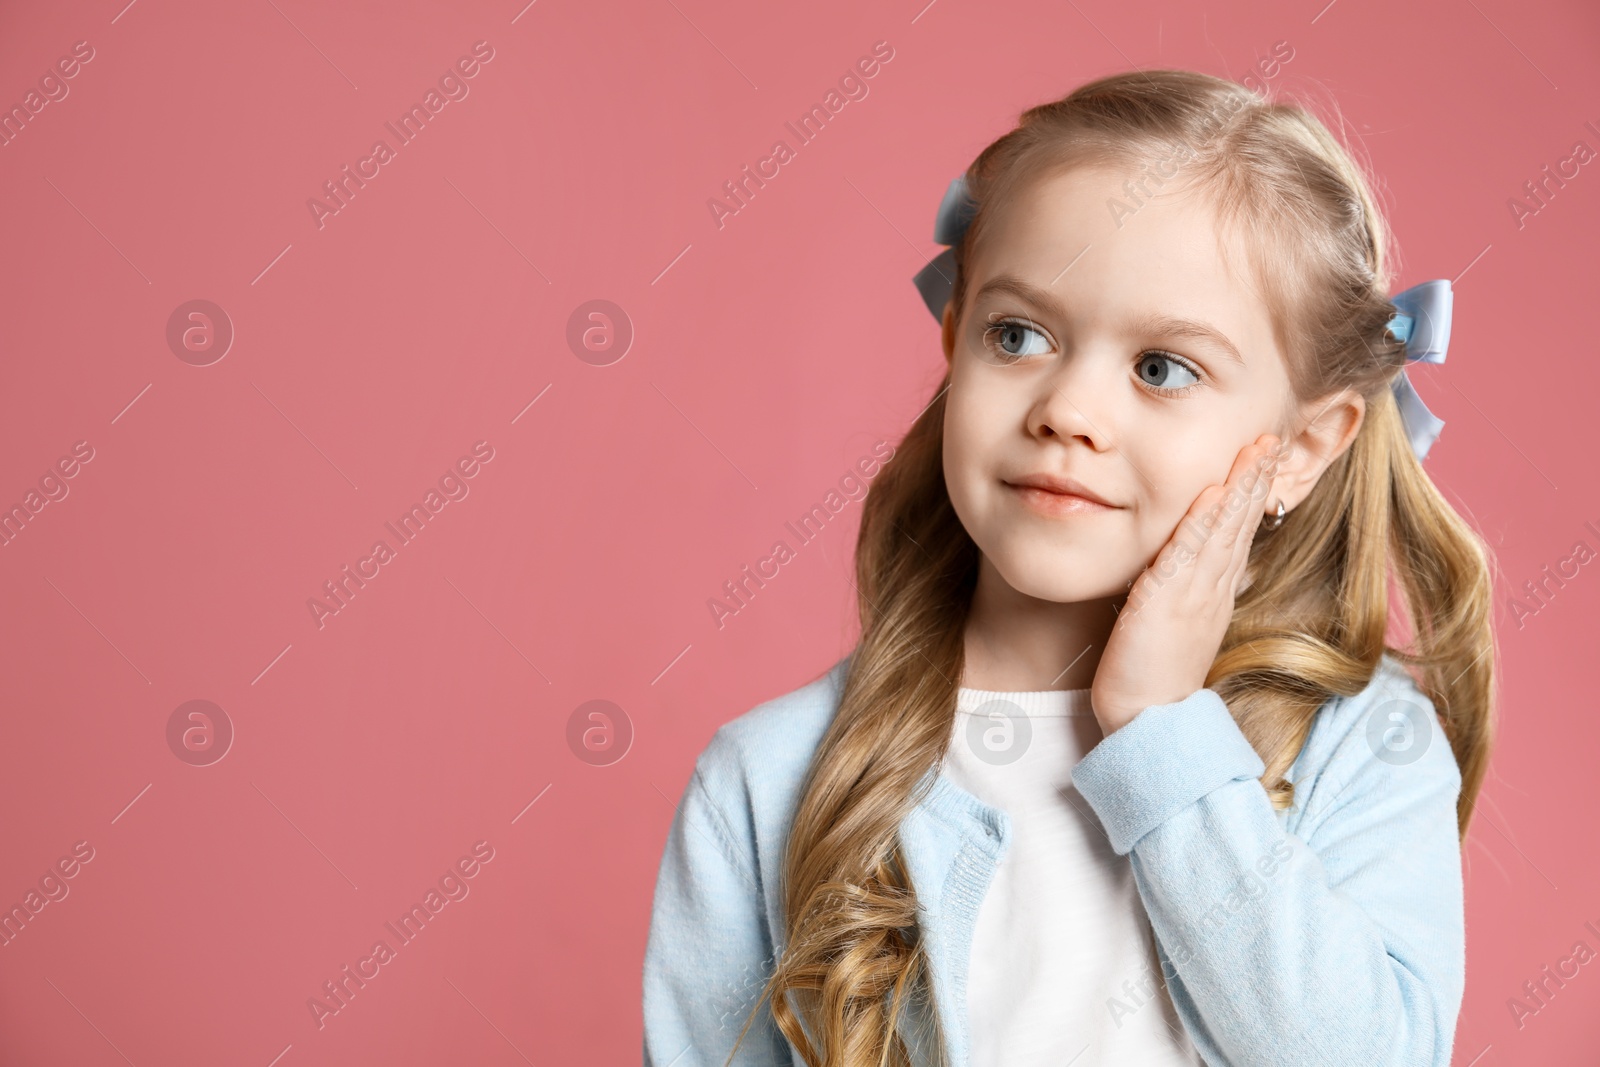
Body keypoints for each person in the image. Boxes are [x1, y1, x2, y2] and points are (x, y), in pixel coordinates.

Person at [642, 68, 1496, 1067]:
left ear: (1303, 447)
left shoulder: (1365, 746)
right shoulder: (765, 778)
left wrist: (1163, 735)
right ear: (955, 341)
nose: (1068, 410)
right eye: (1019, 336)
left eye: (1160, 368)